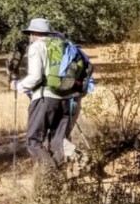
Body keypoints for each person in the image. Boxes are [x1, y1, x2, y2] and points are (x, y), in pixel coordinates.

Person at [13, 17, 93, 164]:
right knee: (57, 142)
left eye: (30, 33)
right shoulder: (63, 45)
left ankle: (50, 176)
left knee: (34, 141)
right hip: (67, 99)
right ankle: (60, 179)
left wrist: (19, 86)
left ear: (34, 33)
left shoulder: (37, 46)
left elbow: (35, 77)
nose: (30, 37)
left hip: (45, 98)